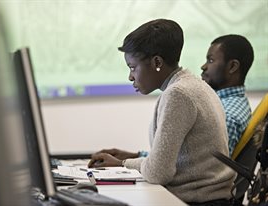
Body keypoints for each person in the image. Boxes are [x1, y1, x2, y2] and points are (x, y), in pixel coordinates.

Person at [88, 19, 236, 205]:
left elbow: (158, 173)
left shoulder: (178, 94)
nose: (130, 77)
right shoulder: (194, 85)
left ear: (157, 61)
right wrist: (131, 159)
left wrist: (121, 164)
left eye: (133, 67)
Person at [201, 34, 253, 156]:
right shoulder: (234, 104)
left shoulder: (226, 117)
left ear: (232, 67)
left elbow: (207, 171)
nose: (203, 66)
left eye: (211, 60)